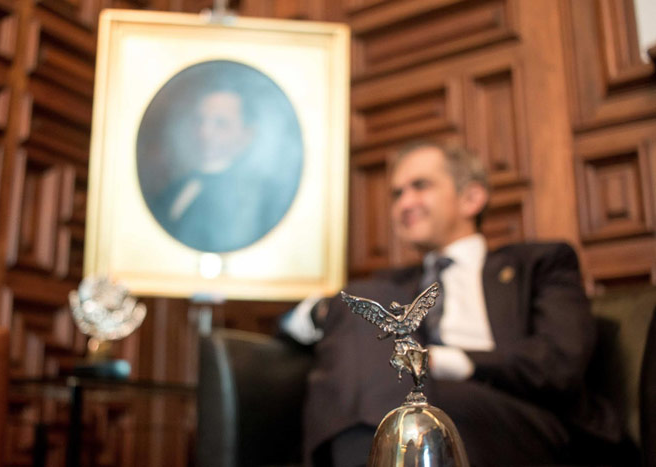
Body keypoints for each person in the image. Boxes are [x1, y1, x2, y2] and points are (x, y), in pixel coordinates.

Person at [292, 142, 622, 467]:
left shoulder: (540, 263)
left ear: (471, 198)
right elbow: (292, 324)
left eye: (420, 186)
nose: (404, 203)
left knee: (413, 402)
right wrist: (326, 310)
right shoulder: (388, 285)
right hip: (409, 397)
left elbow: (559, 363)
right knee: (368, 304)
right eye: (397, 194)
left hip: (519, 416)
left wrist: (453, 361)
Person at [148, 87, 300, 253]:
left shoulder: (255, 196)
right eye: (199, 121)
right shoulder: (175, 188)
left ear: (247, 135)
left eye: (220, 124)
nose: (204, 133)